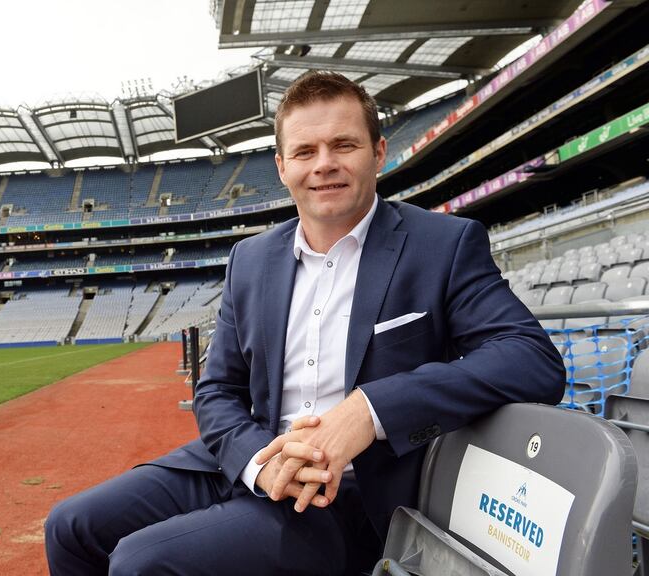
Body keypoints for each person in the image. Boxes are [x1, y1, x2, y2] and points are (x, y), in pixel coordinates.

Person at [44, 71, 565, 575]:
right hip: (251, 460)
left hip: (347, 493)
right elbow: (218, 389)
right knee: (69, 526)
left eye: (344, 145)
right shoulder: (250, 259)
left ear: (378, 152)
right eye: (304, 151)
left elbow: (531, 358)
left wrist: (368, 411)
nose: (324, 165)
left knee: (141, 561)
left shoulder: (444, 244)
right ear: (281, 166)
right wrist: (258, 460)